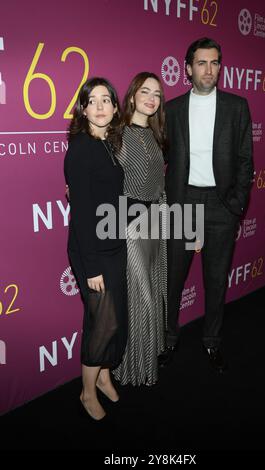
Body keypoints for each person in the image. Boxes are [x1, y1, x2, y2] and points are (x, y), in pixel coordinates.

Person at [159, 38, 254, 372]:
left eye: (215, 63)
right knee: (174, 279)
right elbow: (158, 158)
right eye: (202, 63)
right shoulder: (170, 109)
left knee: (216, 279)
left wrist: (236, 204)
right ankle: (168, 340)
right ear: (188, 68)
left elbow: (245, 160)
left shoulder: (236, 106)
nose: (209, 70)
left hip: (220, 204)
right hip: (184, 203)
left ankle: (212, 342)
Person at [64, 77, 127, 420]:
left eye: (107, 100)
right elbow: (84, 215)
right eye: (93, 100)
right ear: (83, 109)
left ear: (116, 108)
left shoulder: (108, 144)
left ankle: (103, 376)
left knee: (114, 322)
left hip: (114, 245)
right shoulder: (82, 149)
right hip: (93, 252)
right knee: (101, 324)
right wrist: (92, 269)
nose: (101, 106)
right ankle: (87, 393)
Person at [112, 72, 167, 386]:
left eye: (157, 94)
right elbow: (105, 182)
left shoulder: (156, 134)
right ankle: (132, 367)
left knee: (152, 292)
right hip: (129, 226)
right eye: (145, 91)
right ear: (132, 95)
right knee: (141, 298)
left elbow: (158, 184)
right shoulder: (116, 134)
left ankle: (146, 360)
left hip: (156, 223)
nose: (151, 98)